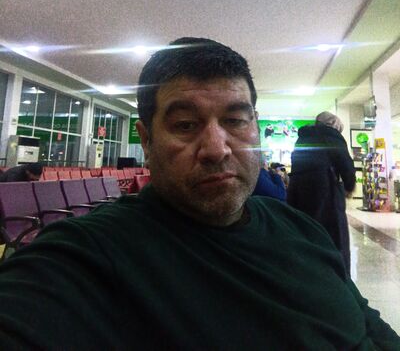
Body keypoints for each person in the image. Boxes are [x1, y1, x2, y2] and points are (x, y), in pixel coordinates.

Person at [0, 39, 397, 350]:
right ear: (147, 140)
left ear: (255, 127)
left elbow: (368, 325)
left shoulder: (301, 228)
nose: (216, 148)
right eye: (186, 125)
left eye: (235, 120)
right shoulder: (90, 257)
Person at [287, 111, 356, 275]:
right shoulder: (331, 135)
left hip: (298, 190)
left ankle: (308, 271)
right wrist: (349, 185)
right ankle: (337, 274)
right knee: (334, 233)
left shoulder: (302, 138)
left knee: (305, 229)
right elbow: (345, 163)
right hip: (324, 189)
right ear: (334, 124)